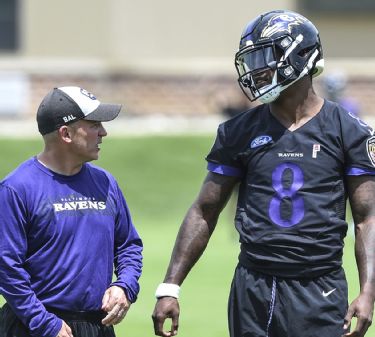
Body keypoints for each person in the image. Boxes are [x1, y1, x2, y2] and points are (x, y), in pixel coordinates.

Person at [152, 10, 375, 337]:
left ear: (299, 57)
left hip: (319, 287)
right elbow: (205, 210)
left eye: (264, 57)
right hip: (253, 287)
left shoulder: (349, 132)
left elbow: (367, 218)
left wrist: (368, 290)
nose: (255, 71)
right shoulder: (238, 131)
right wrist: (170, 286)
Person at [0, 86, 143, 337]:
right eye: (94, 124)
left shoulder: (106, 183)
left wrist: (125, 286)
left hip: (97, 327)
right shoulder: (17, 188)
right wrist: (44, 322)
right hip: (35, 326)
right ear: (65, 133)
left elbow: (128, 245)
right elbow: (6, 266)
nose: (103, 132)